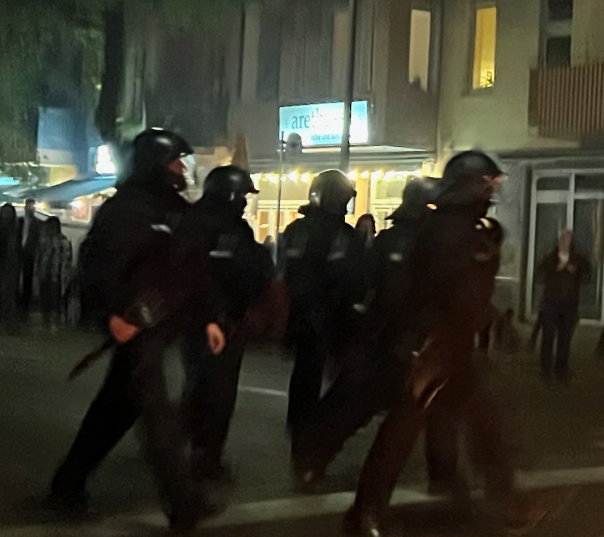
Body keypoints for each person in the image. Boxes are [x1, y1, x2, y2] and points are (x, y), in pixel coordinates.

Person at [343, 151, 533, 537]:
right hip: (432, 346)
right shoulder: (449, 229)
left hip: (450, 346)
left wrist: (490, 318)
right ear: (470, 186)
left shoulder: (458, 226)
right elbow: (445, 290)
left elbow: (466, 290)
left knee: (484, 424)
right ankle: (365, 514)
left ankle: (507, 502)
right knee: (402, 429)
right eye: (487, 184)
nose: (492, 191)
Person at [46, 128, 221, 530]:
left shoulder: (177, 211)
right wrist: (112, 315)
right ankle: (182, 503)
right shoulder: (126, 210)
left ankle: (67, 483)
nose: (183, 170)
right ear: (157, 164)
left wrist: (208, 315)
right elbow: (97, 268)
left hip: (161, 325)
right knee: (157, 413)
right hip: (135, 326)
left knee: (115, 409)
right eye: (177, 162)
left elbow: (193, 270)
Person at [290, 177, 463, 494]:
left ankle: (315, 459)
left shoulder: (390, 241)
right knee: (370, 405)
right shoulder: (419, 245)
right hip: (400, 342)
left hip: (395, 339)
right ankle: (322, 464)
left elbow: (365, 286)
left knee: (427, 405)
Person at [179, 166, 274, 484]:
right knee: (216, 394)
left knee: (201, 387)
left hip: (208, 319)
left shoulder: (200, 221)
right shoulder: (218, 227)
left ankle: (191, 449)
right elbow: (242, 270)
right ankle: (204, 458)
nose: (246, 202)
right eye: (243, 195)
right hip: (217, 321)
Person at [279, 169, 362, 455]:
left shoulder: (295, 230)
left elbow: (288, 273)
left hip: (301, 316)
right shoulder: (342, 235)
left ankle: (302, 434)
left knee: (305, 379)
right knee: (343, 383)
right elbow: (352, 279)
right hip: (332, 318)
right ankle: (313, 441)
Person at [536, 229, 589, 384]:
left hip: (569, 304)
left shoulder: (577, 258)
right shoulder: (551, 258)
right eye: (563, 239)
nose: (565, 242)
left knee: (564, 340)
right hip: (551, 303)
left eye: (568, 239)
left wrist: (575, 272)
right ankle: (546, 370)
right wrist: (556, 270)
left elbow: (588, 275)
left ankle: (561, 370)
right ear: (559, 241)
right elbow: (540, 274)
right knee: (548, 338)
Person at [35, 217, 72, 330]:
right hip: (45, 273)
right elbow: (38, 256)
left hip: (57, 274)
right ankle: (46, 321)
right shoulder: (43, 240)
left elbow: (67, 259)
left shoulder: (63, 240)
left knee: (54, 298)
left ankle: (53, 322)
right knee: (45, 297)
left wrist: (65, 274)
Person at [18, 198, 41, 316]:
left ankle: (25, 303)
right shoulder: (19, 221)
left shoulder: (37, 224)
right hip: (18, 252)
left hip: (29, 253)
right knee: (17, 277)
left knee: (27, 278)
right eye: (28, 206)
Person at [0, 205, 18, 326]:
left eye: (8, 213)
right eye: (4, 213)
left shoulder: (15, 230)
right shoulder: (13, 230)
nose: (6, 215)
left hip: (9, 264)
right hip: (5, 263)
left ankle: (7, 319)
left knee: (8, 293)